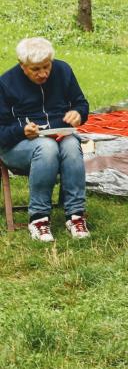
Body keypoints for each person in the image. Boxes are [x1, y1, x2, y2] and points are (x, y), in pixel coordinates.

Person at [0, 37, 90, 241]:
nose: (43, 73)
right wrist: (21, 131)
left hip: (59, 136)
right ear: (22, 66)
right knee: (46, 147)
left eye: (46, 67)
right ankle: (39, 218)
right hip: (15, 147)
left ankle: (76, 215)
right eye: (36, 69)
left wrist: (78, 113)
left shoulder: (63, 70)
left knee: (72, 145)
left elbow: (81, 103)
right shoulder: (5, 84)